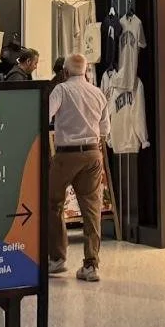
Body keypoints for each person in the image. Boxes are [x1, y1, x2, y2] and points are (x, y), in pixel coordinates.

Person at [47, 52, 109, 283]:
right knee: (92, 210)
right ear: (86, 71)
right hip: (93, 154)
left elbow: (45, 115)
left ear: (64, 71)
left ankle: (58, 258)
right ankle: (91, 265)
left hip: (66, 155)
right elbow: (105, 129)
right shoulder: (97, 93)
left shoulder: (61, 90)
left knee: (53, 204)